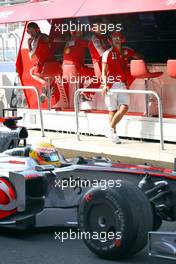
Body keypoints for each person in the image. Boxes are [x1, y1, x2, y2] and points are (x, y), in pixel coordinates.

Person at [101, 31, 141, 144]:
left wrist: (143, 62)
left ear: (122, 39)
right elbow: (103, 72)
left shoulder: (126, 50)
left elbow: (138, 56)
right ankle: (113, 135)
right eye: (114, 38)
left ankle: (109, 129)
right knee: (112, 111)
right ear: (111, 40)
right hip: (110, 85)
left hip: (122, 84)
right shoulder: (107, 53)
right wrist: (104, 85)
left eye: (118, 37)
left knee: (124, 107)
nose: (117, 39)